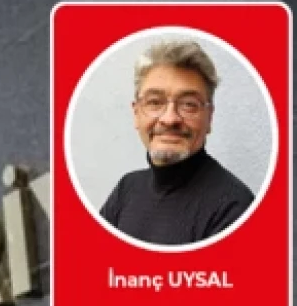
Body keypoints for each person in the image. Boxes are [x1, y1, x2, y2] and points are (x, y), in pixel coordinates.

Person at [97, 38, 255, 246]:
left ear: (209, 118)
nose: (170, 119)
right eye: (155, 102)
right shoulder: (127, 189)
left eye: (189, 104)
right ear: (136, 114)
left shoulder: (234, 208)